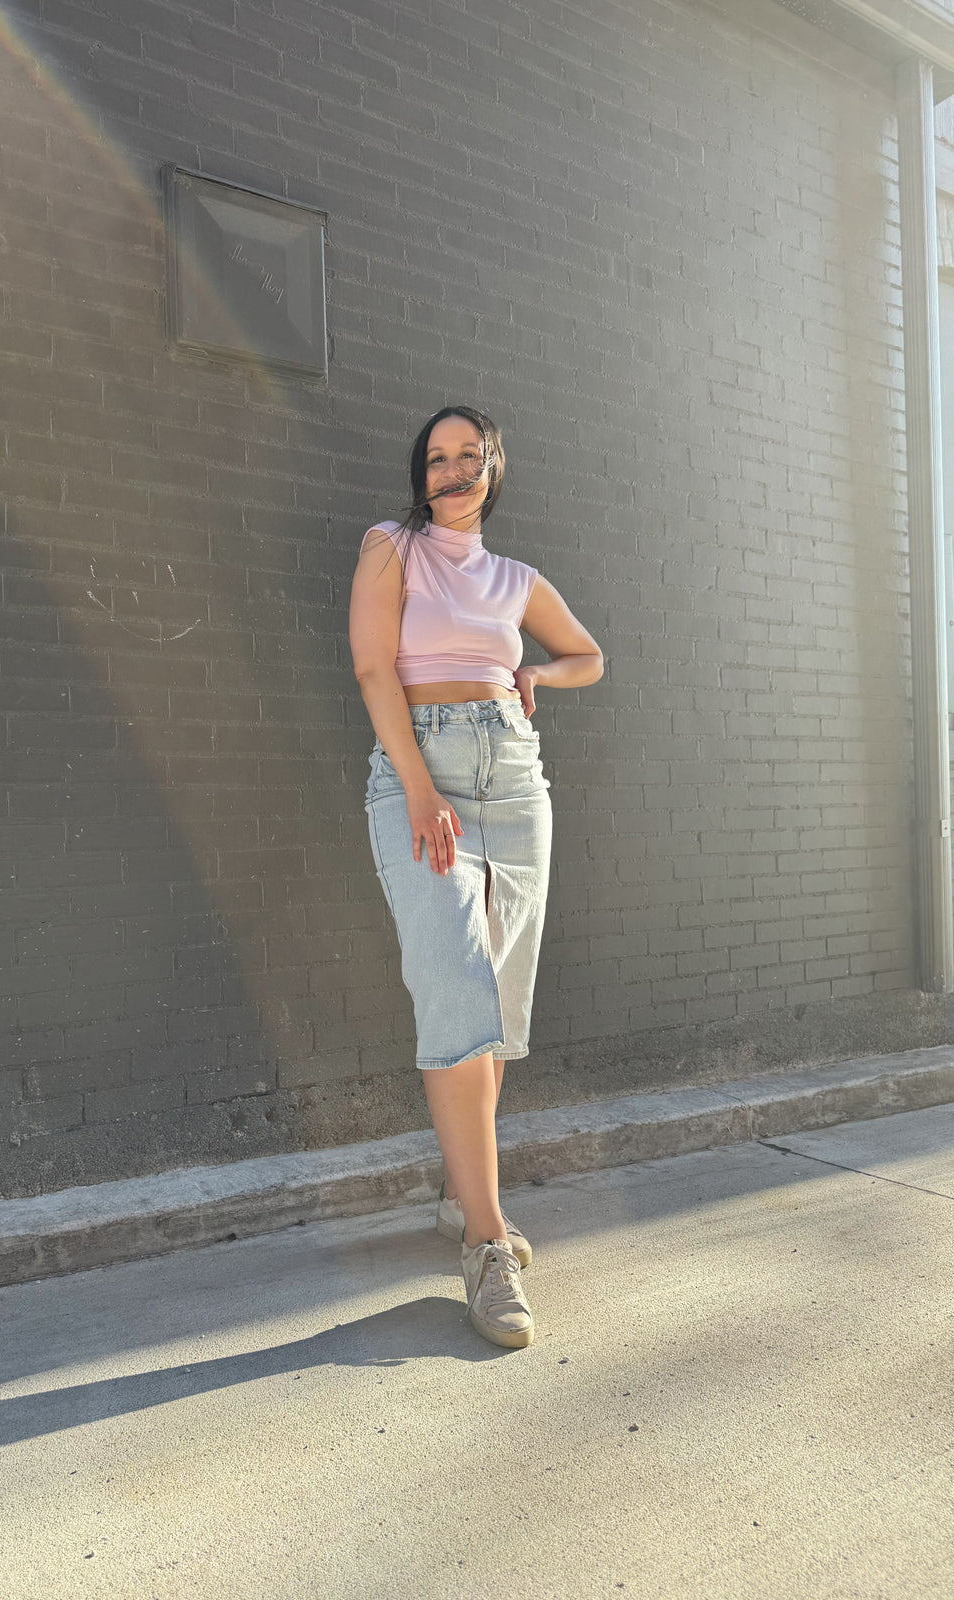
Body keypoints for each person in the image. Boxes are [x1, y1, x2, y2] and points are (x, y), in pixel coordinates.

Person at [348, 405, 604, 1349]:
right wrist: (418, 789)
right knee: (456, 985)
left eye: (468, 456)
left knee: (492, 1006)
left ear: (493, 469)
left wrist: (539, 675)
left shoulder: (515, 579)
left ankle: (467, 1200)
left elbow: (591, 655)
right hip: (424, 770)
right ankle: (488, 1246)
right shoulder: (390, 547)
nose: (451, 470)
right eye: (436, 457)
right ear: (421, 474)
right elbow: (376, 669)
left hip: (515, 779)